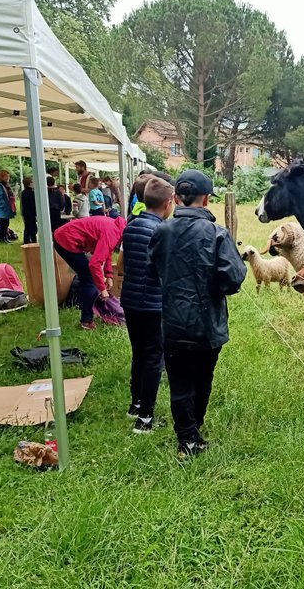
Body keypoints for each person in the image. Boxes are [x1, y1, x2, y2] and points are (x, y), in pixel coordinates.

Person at [149, 169, 246, 457]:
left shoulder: (162, 231)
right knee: (203, 379)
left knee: (179, 382)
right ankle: (193, 431)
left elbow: (153, 271)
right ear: (206, 199)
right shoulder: (217, 233)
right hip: (208, 325)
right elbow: (234, 279)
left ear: (176, 197)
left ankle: (187, 438)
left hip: (173, 324)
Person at [121, 176, 175, 433]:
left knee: (139, 352)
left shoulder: (130, 226)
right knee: (154, 357)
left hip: (130, 302)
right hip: (153, 304)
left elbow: (123, 265)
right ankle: (145, 419)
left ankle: (135, 404)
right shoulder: (163, 231)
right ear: (167, 204)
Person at [53, 212, 127, 330]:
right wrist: (102, 289)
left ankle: (86, 311)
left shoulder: (117, 228)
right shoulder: (112, 233)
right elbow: (95, 264)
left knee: (87, 278)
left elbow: (107, 252)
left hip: (64, 236)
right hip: (65, 240)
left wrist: (109, 275)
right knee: (89, 279)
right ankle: (86, 322)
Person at [0, 170, 16, 242]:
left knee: (6, 223)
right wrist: (4, 207)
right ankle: (1, 238)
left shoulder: (4, 185)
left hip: (6, 207)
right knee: (3, 223)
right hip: (2, 208)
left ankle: (5, 237)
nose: (8, 178)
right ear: (1, 177)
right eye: (7, 176)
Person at [21, 176, 37, 244]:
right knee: (32, 228)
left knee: (27, 227)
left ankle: (26, 240)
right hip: (30, 213)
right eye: (32, 182)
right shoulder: (31, 193)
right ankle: (33, 240)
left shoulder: (24, 192)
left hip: (26, 212)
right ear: (29, 183)